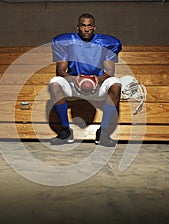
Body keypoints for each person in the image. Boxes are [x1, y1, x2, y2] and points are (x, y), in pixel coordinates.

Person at [48, 13, 122, 147]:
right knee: (54, 83)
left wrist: (97, 79)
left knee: (116, 84)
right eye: (83, 26)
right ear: (78, 27)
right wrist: (74, 78)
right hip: (74, 85)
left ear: (94, 27)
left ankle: (103, 133)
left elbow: (110, 72)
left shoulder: (105, 43)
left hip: (96, 87)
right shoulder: (67, 42)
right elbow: (60, 71)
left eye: (89, 26)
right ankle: (66, 131)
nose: (86, 29)